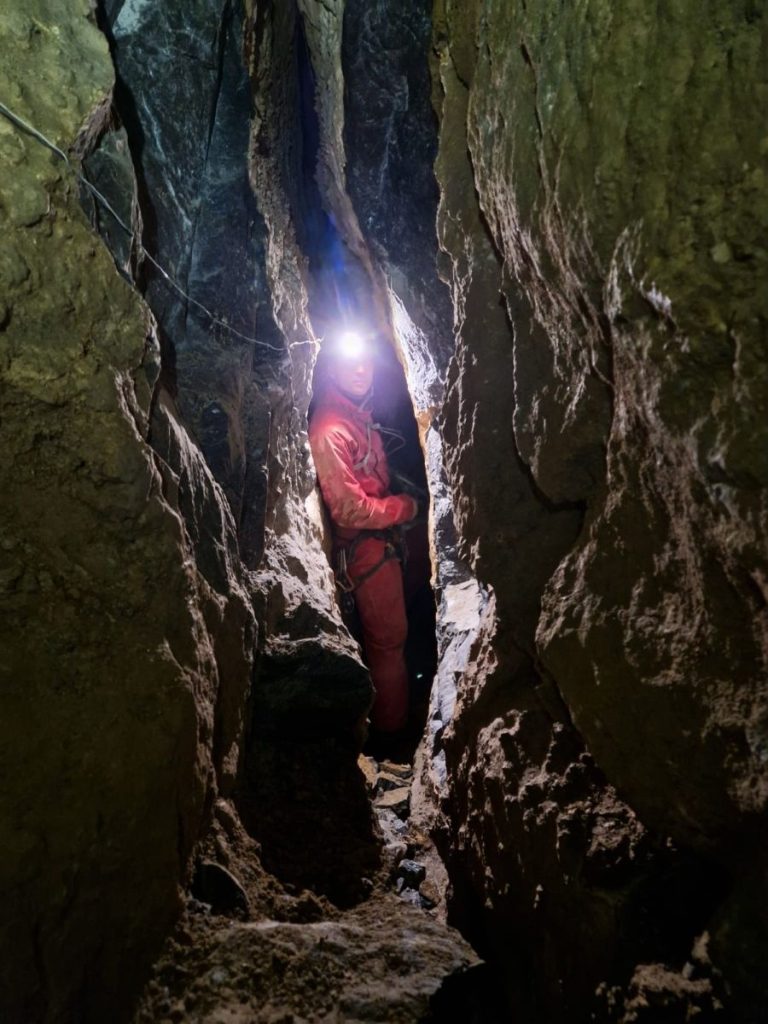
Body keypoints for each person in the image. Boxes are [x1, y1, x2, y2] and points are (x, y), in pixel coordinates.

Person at [309, 335, 418, 737]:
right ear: (333, 367)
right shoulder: (330, 428)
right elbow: (350, 510)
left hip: (383, 537)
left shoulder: (356, 412)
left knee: (399, 634)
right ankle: (393, 737)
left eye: (365, 363)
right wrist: (404, 508)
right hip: (365, 550)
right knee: (388, 642)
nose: (360, 371)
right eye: (350, 363)